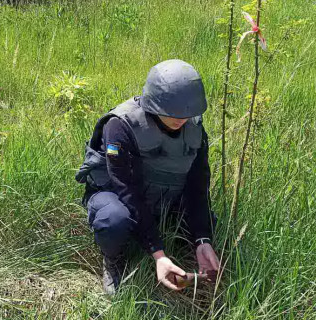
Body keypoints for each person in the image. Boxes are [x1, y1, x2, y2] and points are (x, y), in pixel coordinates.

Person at [76, 59, 220, 295]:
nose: (180, 119)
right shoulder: (120, 126)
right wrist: (158, 254)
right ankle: (114, 259)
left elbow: (198, 185)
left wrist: (202, 240)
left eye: (186, 112)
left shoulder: (194, 128)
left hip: (164, 196)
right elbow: (126, 190)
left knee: (208, 222)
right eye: (171, 111)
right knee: (113, 220)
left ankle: (190, 247)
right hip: (118, 196)